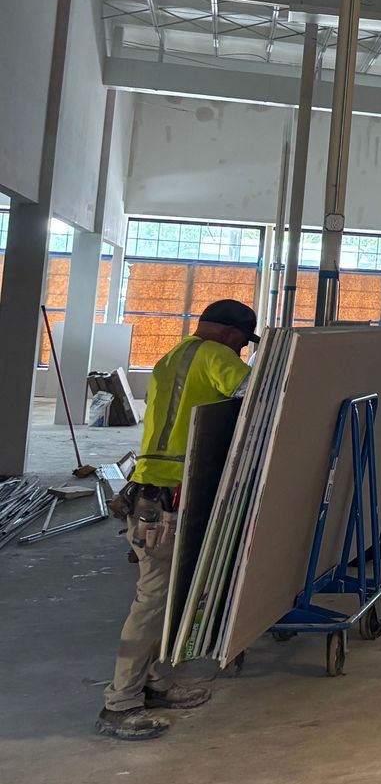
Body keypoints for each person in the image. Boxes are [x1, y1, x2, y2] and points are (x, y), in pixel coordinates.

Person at [97, 299, 258, 740]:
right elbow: (256, 395)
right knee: (152, 603)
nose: (241, 351)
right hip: (167, 498)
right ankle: (120, 703)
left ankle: (156, 682)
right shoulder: (215, 356)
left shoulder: (173, 356)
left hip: (157, 491)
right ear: (229, 335)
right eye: (243, 343)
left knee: (171, 598)